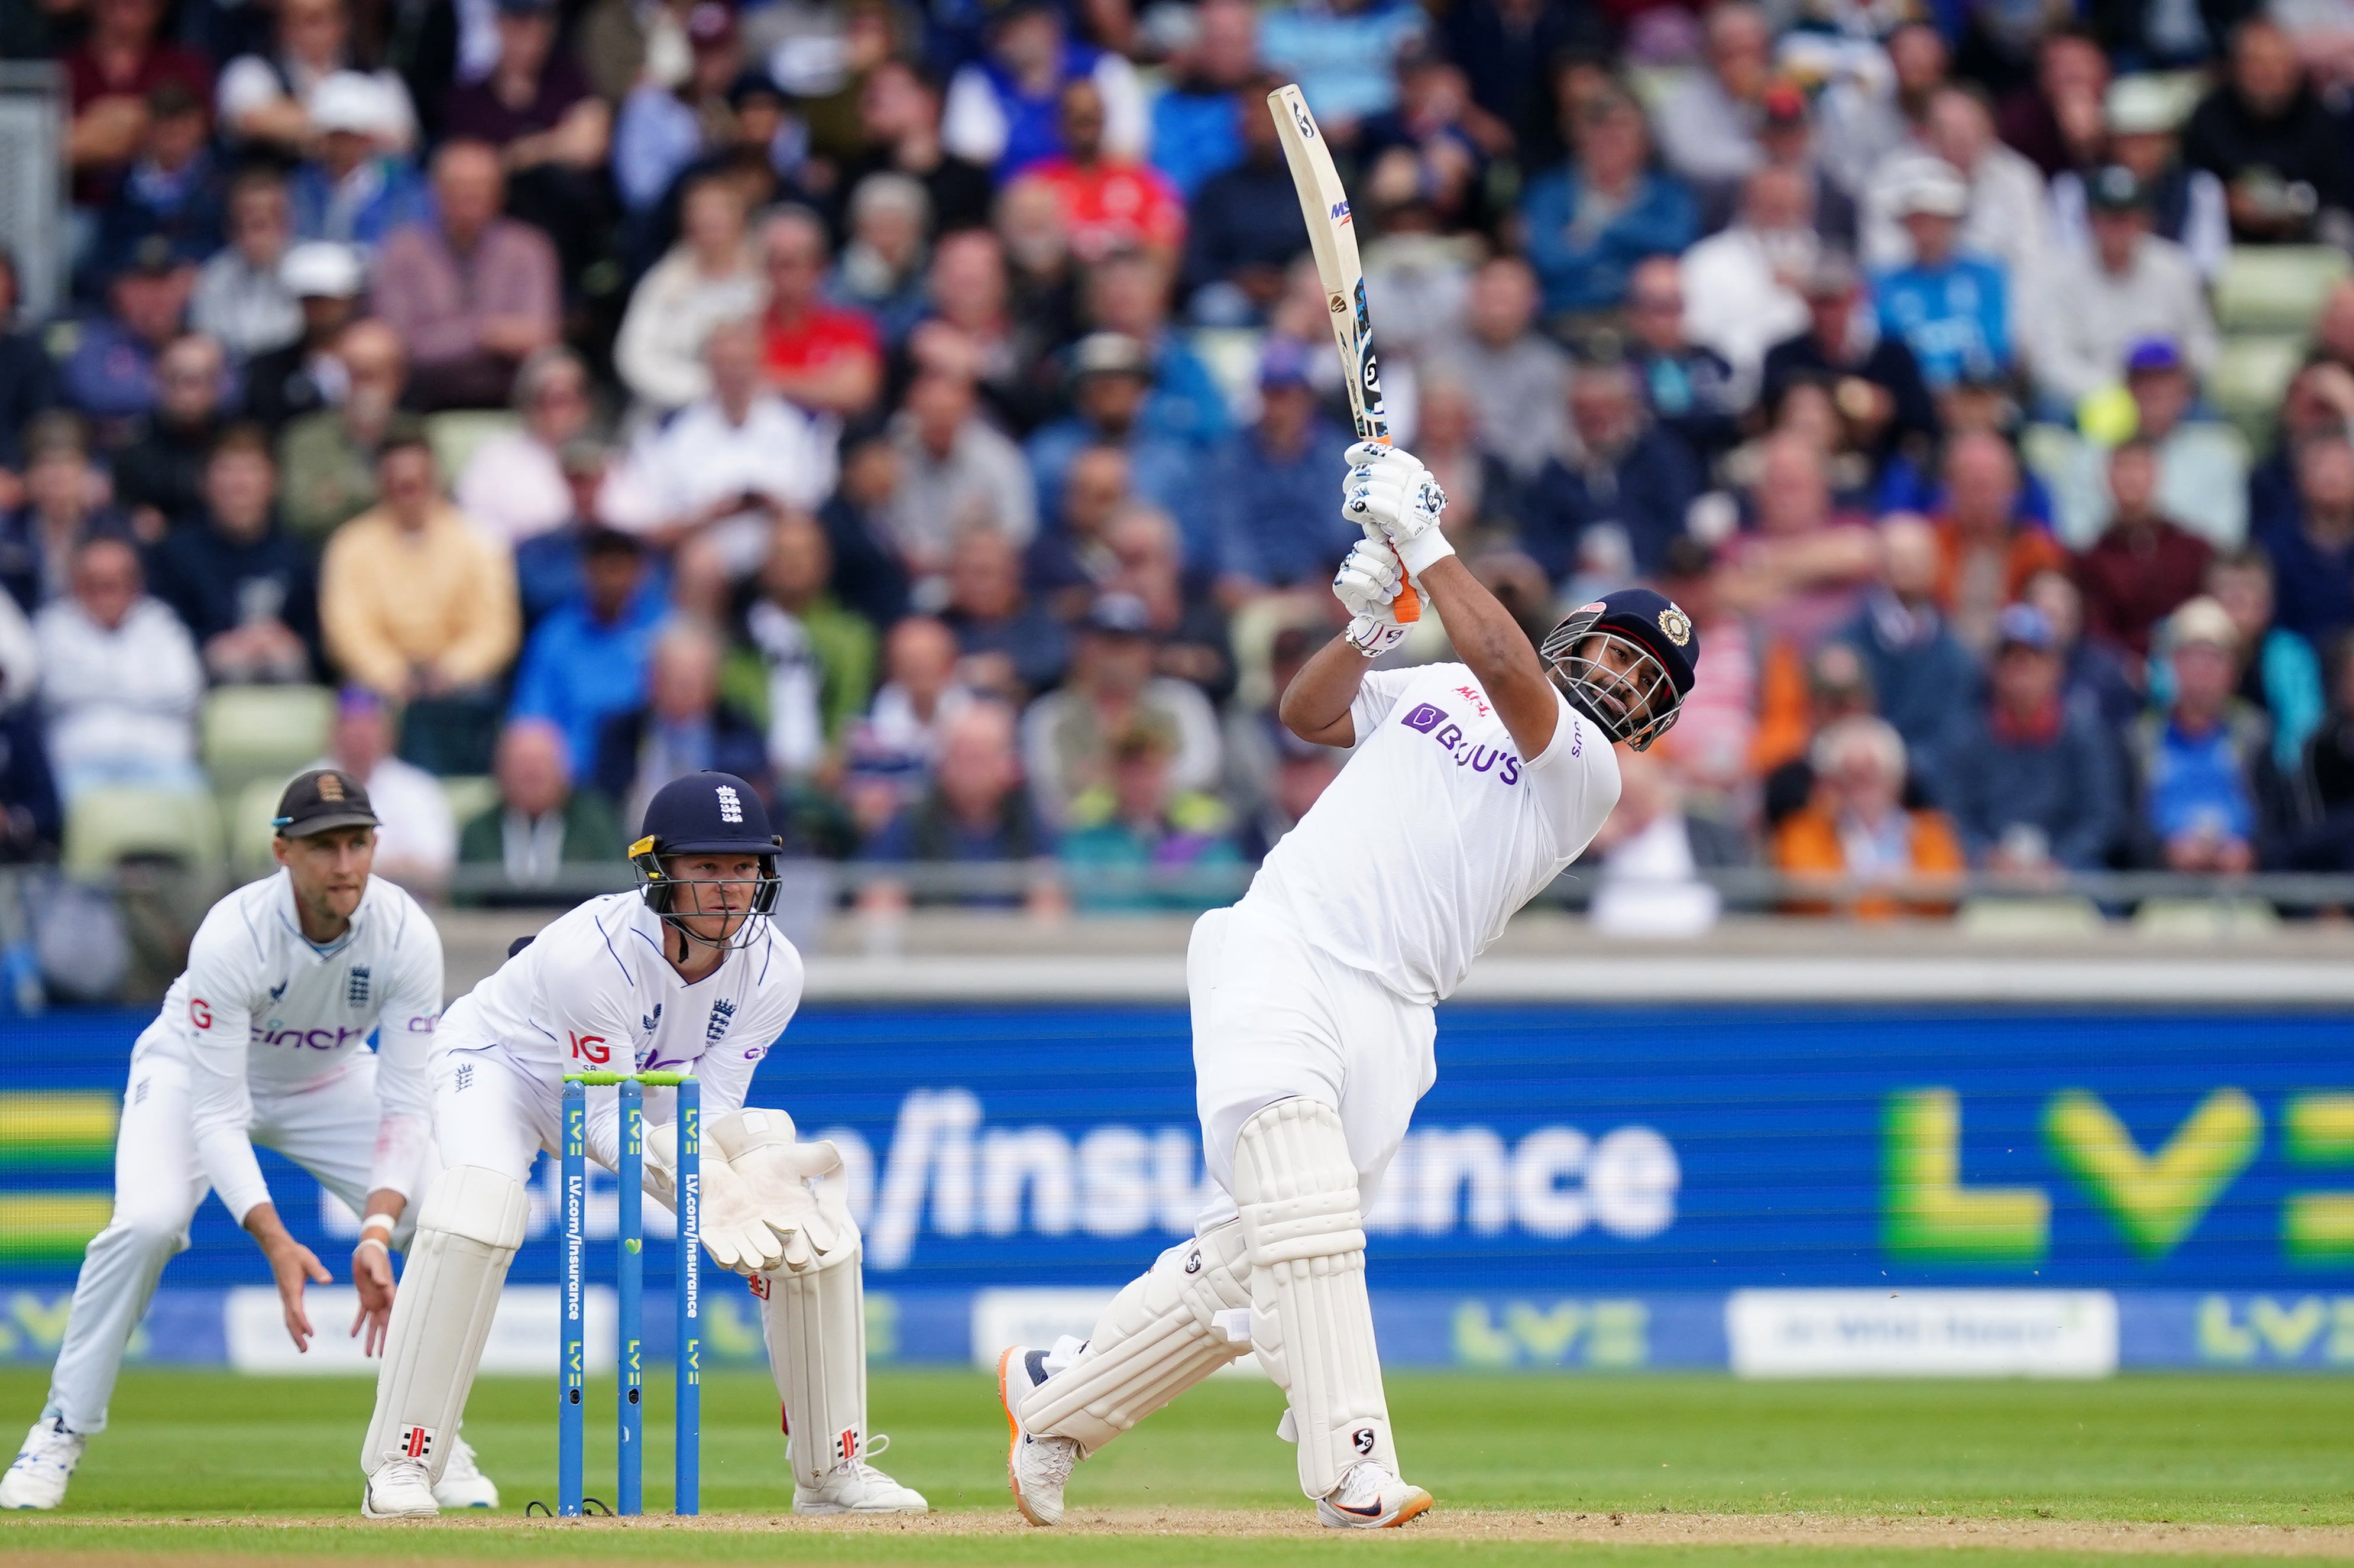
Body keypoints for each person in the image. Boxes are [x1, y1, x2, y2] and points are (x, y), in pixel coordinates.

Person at [998, 440, 1681, 1530]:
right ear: (1576, 635)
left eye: (1647, 682)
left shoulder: (1583, 768)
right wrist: (1367, 629)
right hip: (1285, 946)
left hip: (1397, 1016)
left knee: (1252, 1262)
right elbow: (1308, 717)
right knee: (1310, 1219)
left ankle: (1057, 1399)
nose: (1621, 679)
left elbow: (1510, 675)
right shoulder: (1447, 677)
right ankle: (1352, 1468)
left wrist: (1425, 542)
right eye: (1618, 653)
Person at [355, 771, 927, 1517]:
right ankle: (402, 1462)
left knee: (813, 1229)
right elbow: (595, 1123)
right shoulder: (591, 956)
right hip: (504, 1067)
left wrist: (738, 1196)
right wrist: (693, 1184)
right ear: (659, 872)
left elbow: (712, 1110)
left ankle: (831, 1473)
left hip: (643, 1080)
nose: (730, 888)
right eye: (708, 868)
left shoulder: (774, 968)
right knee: (477, 1210)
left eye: (745, 867)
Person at [0, 769, 486, 1515]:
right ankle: (59, 1431)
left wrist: (378, 1230)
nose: (347, 863)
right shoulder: (233, 935)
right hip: (193, 1073)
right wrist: (276, 1241)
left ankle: (423, 1441)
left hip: (324, 1077)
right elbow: (219, 1115)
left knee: (441, 1210)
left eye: (359, 843)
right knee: (148, 1222)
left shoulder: (406, 935)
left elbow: (404, 1104)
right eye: (326, 846)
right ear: (282, 852)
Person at [318, 427, 521, 772]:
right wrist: (393, 675)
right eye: (399, 483)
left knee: (481, 701)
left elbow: (496, 628)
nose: (410, 492)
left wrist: (451, 671)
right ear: (380, 484)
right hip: (382, 679)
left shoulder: (478, 539)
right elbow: (346, 630)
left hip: (458, 677)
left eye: (418, 482)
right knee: (360, 705)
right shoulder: (350, 544)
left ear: (436, 481)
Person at [604, 318, 838, 578]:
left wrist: (775, 506)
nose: (734, 373)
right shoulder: (664, 432)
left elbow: (821, 508)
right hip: (703, 550)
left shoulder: (804, 423)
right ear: (709, 368)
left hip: (779, 546)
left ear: (760, 364)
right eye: (724, 364)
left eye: (741, 363)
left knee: (795, 543)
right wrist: (707, 517)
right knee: (700, 559)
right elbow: (651, 526)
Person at [371, 140, 561, 410]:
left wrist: (442, 334)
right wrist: (484, 334)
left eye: (481, 185)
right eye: (459, 185)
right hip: (422, 395)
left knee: (560, 373)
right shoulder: (402, 251)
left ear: (500, 193)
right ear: (435, 191)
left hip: (511, 396)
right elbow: (399, 345)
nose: (470, 194)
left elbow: (539, 336)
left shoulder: (529, 249)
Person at [1933, 604, 2121, 874]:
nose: (2021, 672)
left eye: (2033, 659)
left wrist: (2061, 863)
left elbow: (2102, 816)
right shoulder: (1965, 736)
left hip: (2070, 873)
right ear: (1993, 670)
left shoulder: (2084, 734)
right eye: (2011, 660)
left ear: (2056, 668)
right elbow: (1953, 816)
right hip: (1988, 875)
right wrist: (1988, 857)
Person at [2028, 165, 2216, 413]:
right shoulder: (2061, 274)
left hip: (2163, 396)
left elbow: (2204, 344)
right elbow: (2050, 360)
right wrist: (2114, 392)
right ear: (2089, 221)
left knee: (2207, 417)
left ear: (2145, 220)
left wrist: (2170, 378)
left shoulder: (2174, 267)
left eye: (2126, 217)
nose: (2118, 228)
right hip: (2091, 398)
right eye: (2108, 218)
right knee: (2050, 411)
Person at [35, 534, 205, 802]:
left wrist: (97, 683)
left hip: (161, 760)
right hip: (79, 764)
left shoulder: (162, 622)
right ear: (76, 584)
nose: (106, 592)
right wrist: (138, 680)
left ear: (135, 584)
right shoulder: (53, 624)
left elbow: (184, 691)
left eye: (115, 583)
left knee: (193, 799)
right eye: (94, 584)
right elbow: (56, 689)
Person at [144, 425, 320, 683]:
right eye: (226, 470)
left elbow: (317, 643)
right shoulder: (175, 554)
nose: (239, 484)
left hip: (283, 688)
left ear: (273, 482)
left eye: (251, 470)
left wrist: (289, 642)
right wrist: (212, 647)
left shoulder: (295, 554)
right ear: (203, 482)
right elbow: (158, 635)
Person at [2129, 596, 2282, 872]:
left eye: (2214, 659)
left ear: (2234, 671)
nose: (2202, 671)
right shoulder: (2140, 738)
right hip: (2160, 890)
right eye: (2191, 657)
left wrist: (2251, 851)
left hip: (2242, 889)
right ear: (2173, 664)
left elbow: (2278, 821)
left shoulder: (2256, 734)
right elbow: (2125, 826)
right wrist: (2163, 851)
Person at [857, 699, 1055, 912]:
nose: (967, 771)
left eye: (978, 758)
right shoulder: (912, 823)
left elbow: (1050, 904)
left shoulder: (1030, 823)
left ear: (1008, 764)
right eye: (958, 756)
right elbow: (878, 901)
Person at [1516, 355, 1701, 582]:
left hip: (1659, 576)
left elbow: (1678, 521)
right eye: (1584, 409)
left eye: (1606, 407)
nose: (1596, 417)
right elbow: (1540, 538)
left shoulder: (1659, 456)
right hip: (1579, 585)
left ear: (1627, 407)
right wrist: (1575, 558)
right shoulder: (1555, 471)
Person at [1519, 88, 1697, 321]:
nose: (1611, 136)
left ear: (1644, 138)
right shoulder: (1548, 192)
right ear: (1579, 134)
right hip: (1565, 319)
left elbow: (1677, 246)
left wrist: (1602, 230)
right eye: (1599, 125)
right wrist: (1638, 247)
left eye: (1622, 126)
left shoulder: (1670, 195)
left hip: (1643, 324)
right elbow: (1549, 261)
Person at [1771, 712, 1965, 918]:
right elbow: (1809, 892)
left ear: (1896, 778)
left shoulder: (1932, 832)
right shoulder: (1803, 832)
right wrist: (1894, 895)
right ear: (1832, 782)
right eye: (1850, 776)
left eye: (1872, 774)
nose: (1862, 789)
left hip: (1915, 945)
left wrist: (1861, 894)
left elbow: (1941, 893)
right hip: (1833, 945)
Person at [508, 527, 664, 780]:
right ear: (586, 571)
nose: (614, 581)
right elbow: (532, 718)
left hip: (648, 774)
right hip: (574, 781)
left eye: (622, 569)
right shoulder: (555, 637)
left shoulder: (664, 629)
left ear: (640, 573)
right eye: (606, 569)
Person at [2181, 17, 2354, 244]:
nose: (2267, 73)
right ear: (2235, 67)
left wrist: (2296, 207)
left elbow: (2339, 191)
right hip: (2230, 229)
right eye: (2256, 62)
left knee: (2337, 228)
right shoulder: (2209, 117)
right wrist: (2227, 200)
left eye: (2277, 63)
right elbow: (2189, 183)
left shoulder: (2320, 119)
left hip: (2304, 226)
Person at [1211, 344, 1358, 601]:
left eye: (1286, 394)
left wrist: (1318, 584)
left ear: (1308, 397)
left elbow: (1340, 532)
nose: (1277, 408)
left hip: (1322, 591)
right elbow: (1230, 529)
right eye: (1269, 394)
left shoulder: (1337, 455)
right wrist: (1252, 585)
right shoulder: (1233, 454)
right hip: (1252, 590)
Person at [592, 620, 769, 828]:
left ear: (714, 684)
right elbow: (603, 806)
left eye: (692, 682)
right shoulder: (620, 734)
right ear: (652, 681)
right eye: (674, 680)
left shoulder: (740, 734)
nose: (684, 692)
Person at [614, 174, 763, 416]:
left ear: (740, 219)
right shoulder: (663, 282)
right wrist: (702, 390)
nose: (708, 222)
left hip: (754, 409)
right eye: (700, 215)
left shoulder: (765, 282)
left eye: (718, 215)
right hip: (672, 409)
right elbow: (633, 357)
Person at [1835, 514, 1980, 759]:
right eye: (1897, 557)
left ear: (1936, 566)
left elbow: (1957, 732)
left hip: (1929, 782)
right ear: (1877, 566)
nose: (1907, 567)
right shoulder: (1844, 646)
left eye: (1917, 558)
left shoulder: (1957, 657)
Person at [1058, 719, 1241, 912]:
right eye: (1130, 772)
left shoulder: (1203, 831)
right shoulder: (1088, 834)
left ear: (1167, 771)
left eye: (1149, 770)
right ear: (1113, 776)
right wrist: (1153, 882)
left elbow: (1222, 893)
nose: (1140, 782)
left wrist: (1178, 883)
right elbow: (1088, 901)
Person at [1424, 257, 1571, 481]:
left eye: (1507, 299)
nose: (1498, 310)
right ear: (1471, 299)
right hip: (1451, 478)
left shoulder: (1552, 366)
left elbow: (1547, 444)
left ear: (1533, 302)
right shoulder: (1440, 359)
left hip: (1524, 483)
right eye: (1490, 298)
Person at [1870, 161, 2010, 390]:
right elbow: (1885, 350)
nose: (1925, 229)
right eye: (1916, 219)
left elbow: (1997, 346)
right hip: (1912, 399)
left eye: (1934, 218)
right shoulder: (1884, 283)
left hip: (1975, 393)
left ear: (1952, 220)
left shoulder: (1986, 276)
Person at [2073, 439, 2213, 660]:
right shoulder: (2092, 561)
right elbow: (2097, 631)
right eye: (2123, 467)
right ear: (2107, 479)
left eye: (2139, 467)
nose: (2131, 478)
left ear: (2156, 475)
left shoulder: (2194, 551)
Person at [456, 717, 626, 896]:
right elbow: (463, 903)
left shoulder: (596, 822)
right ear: (499, 770)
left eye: (541, 764)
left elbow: (619, 891)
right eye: (521, 765)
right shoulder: (477, 832)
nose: (532, 776)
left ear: (565, 769)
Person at [276, 318, 407, 542]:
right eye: (353, 375)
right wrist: (389, 493)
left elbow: (432, 512)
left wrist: (340, 495)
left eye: (373, 375)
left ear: (398, 379)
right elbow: (300, 516)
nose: (362, 387)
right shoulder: (304, 439)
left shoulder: (414, 433)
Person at [318, 688, 458, 893]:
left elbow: (437, 869)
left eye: (369, 726)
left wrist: (347, 869)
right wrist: (395, 866)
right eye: (351, 726)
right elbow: (292, 864)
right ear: (332, 732)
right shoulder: (306, 786)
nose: (360, 737)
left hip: (406, 913)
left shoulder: (418, 789)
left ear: (390, 733)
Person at [453, 347, 596, 545]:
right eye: (543, 399)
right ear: (526, 403)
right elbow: (475, 531)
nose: (552, 411)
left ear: (585, 405)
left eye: (562, 400)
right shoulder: (495, 458)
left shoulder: (609, 457)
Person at [757, 208, 885, 421]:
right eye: (773, 265)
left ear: (820, 267)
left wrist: (770, 381)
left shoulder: (852, 326)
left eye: (791, 265)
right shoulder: (748, 330)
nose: (782, 276)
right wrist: (822, 385)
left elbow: (856, 393)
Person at [239, 240, 363, 433]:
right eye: (310, 299)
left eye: (327, 299)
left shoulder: (377, 362)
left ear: (349, 299)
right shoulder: (268, 370)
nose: (319, 308)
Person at [112, 332, 228, 536]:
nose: (186, 394)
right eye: (175, 380)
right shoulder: (133, 451)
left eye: (196, 381)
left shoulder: (236, 445)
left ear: (217, 386)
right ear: (157, 383)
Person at [192, 169, 302, 365]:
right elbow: (206, 340)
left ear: (286, 225)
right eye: (240, 227)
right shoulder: (215, 276)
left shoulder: (308, 271)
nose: (250, 239)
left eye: (259, 226)